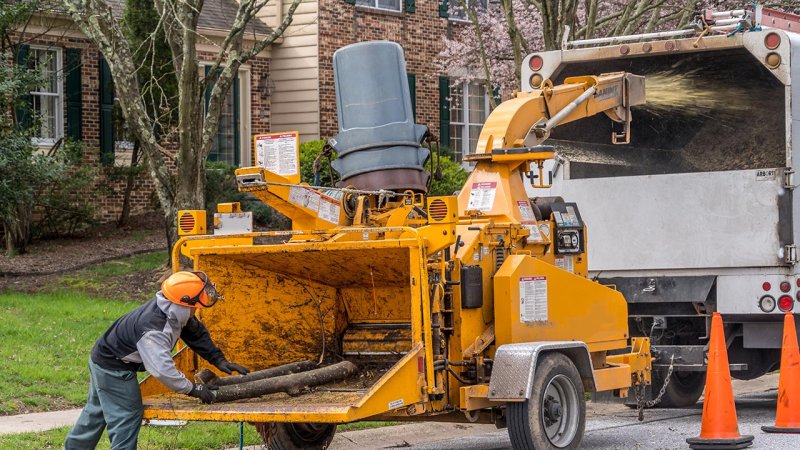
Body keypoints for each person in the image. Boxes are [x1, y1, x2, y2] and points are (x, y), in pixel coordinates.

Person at [64, 271, 249, 450]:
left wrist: (218, 359)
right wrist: (193, 389)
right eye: (195, 306)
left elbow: (194, 332)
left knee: (96, 413)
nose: (196, 310)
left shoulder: (172, 309)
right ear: (184, 303)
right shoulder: (154, 331)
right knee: (127, 414)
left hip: (104, 357)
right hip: (113, 367)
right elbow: (162, 370)